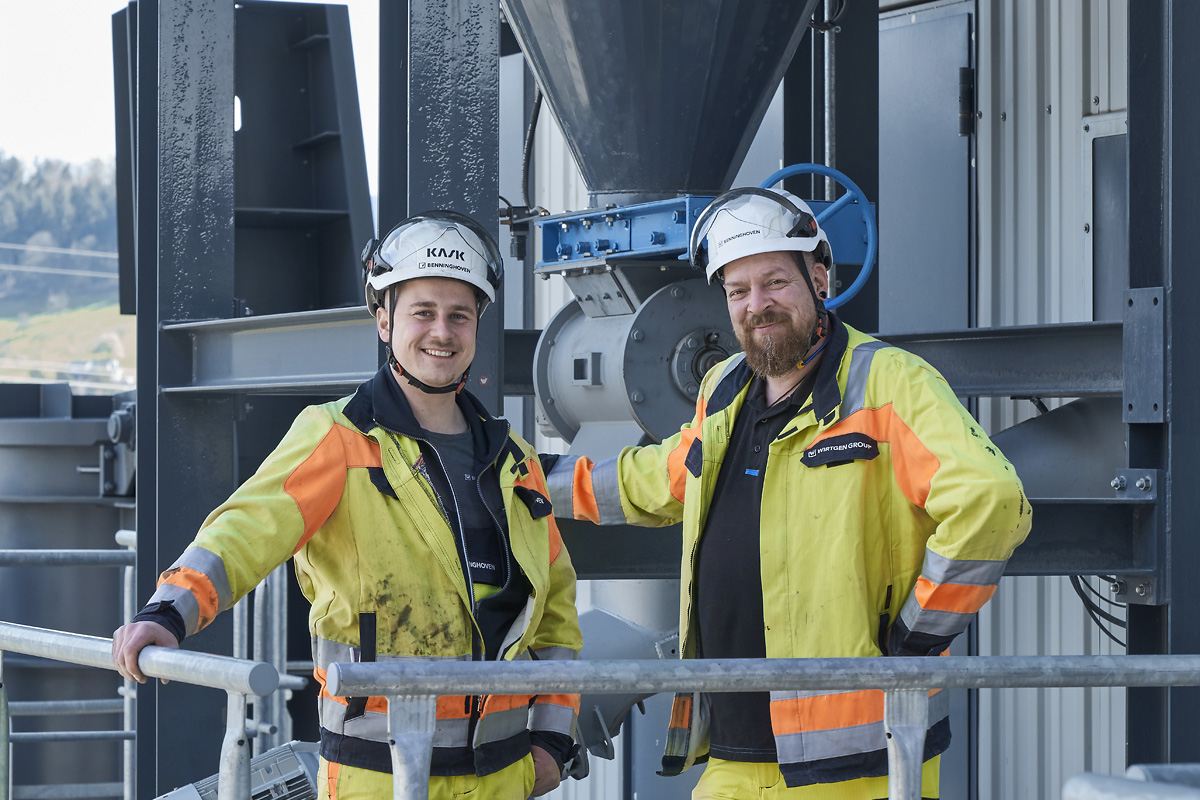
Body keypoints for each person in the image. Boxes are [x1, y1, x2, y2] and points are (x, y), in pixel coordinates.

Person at [544, 188, 1032, 799]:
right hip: (732, 752)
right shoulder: (724, 387)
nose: (757, 305)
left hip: (860, 757)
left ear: (819, 278)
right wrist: (541, 484)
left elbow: (991, 500)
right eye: (738, 290)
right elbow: (665, 475)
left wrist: (918, 635)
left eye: (775, 281)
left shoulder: (888, 384)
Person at [113, 211, 584, 800]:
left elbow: (557, 610)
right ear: (385, 323)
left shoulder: (513, 458)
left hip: (504, 776)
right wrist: (168, 613)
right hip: (377, 774)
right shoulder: (336, 436)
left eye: (459, 315)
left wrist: (552, 744)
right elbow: (245, 529)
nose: (442, 330)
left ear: (476, 329)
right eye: (422, 312)